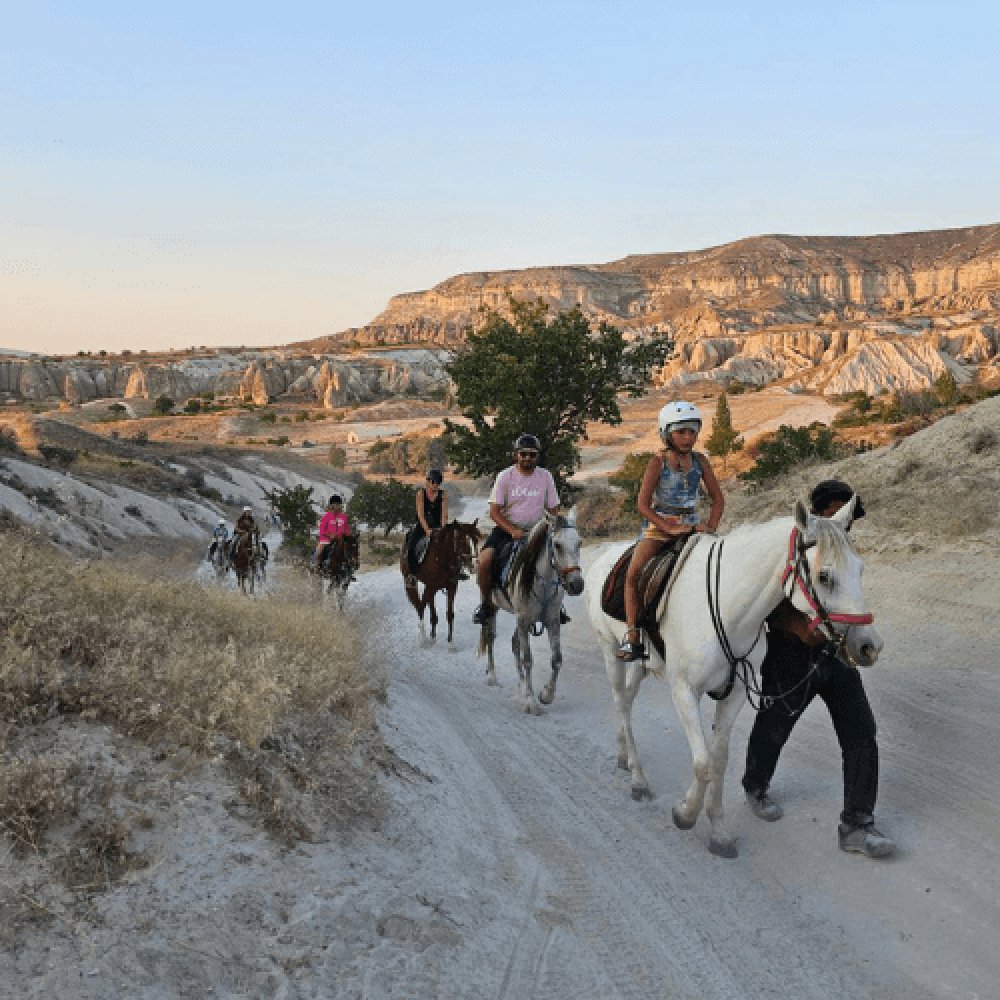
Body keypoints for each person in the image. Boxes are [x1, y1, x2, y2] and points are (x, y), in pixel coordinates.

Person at [741, 479, 896, 859]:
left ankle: (857, 824)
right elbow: (767, 603)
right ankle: (755, 785)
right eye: (835, 510)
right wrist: (805, 629)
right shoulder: (793, 546)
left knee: (861, 733)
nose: (843, 519)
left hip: (837, 655)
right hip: (791, 654)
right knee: (775, 724)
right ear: (819, 511)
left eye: (848, 513)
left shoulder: (844, 551)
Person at [617, 400, 724, 661]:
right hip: (659, 529)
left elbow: (718, 499)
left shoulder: (701, 461)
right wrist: (668, 527)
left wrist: (710, 527)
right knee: (633, 573)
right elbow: (642, 504)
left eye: (692, 432)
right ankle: (632, 634)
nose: (687, 438)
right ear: (667, 433)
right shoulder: (658, 462)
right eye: (681, 432)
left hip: (694, 526)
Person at [473, 433, 561, 625]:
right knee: (485, 560)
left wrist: (550, 526)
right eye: (523, 454)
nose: (527, 458)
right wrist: (512, 530)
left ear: (537, 456)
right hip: (507, 529)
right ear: (516, 455)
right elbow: (495, 512)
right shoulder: (505, 477)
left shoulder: (545, 476)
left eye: (532, 454)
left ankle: (557, 605)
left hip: (537, 530)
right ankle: (486, 603)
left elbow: (553, 508)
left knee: (559, 556)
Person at [406, 469, 448, 576]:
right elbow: (421, 515)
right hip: (423, 526)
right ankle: (412, 574)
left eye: (438, 483)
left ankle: (455, 572)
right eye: (433, 482)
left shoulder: (443, 495)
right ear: (428, 482)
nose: (436, 485)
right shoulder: (421, 494)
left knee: (452, 545)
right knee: (411, 547)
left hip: (437, 525)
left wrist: (443, 529)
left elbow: (444, 515)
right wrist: (427, 530)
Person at [315, 494, 352, 572]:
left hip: (341, 540)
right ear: (331, 505)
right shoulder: (326, 517)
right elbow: (322, 530)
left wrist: (347, 535)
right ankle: (315, 566)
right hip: (326, 540)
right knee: (319, 551)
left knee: (350, 550)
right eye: (335, 504)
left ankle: (350, 570)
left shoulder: (343, 517)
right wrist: (330, 535)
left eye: (339, 504)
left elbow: (347, 530)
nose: (337, 506)